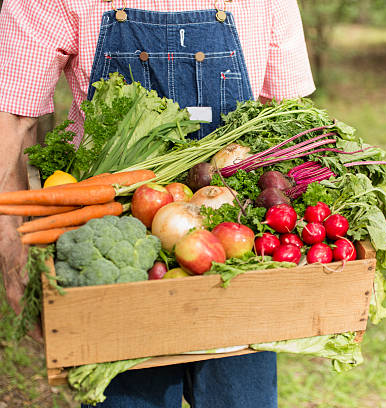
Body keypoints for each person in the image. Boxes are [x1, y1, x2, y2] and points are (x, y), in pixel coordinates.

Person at [0, 1, 315, 407]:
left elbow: (288, 116)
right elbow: (12, 115)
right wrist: (12, 249)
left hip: (235, 254)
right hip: (116, 252)